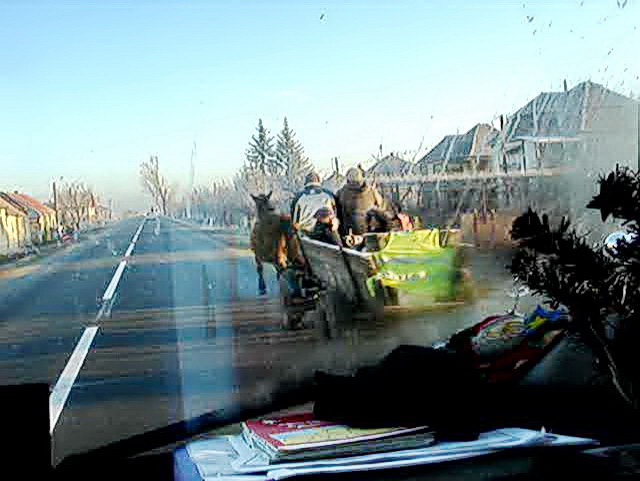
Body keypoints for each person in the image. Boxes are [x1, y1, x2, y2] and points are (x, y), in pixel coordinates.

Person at [336, 167, 387, 236]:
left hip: (350, 233)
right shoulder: (371, 191)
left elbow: (337, 207)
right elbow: (382, 205)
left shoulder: (342, 193)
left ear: (348, 180)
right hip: (371, 231)